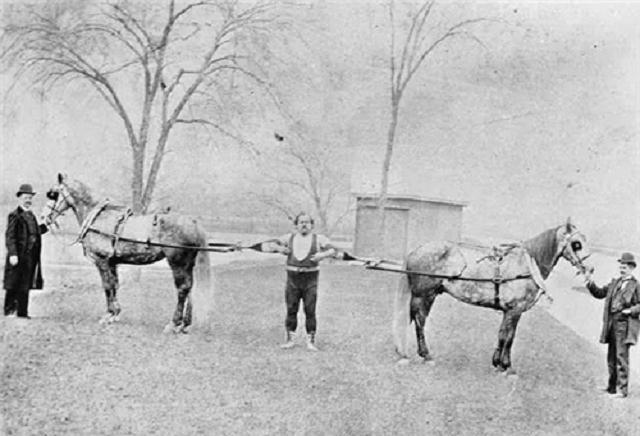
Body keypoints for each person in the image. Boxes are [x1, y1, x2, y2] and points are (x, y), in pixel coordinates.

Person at [267, 212, 337, 351]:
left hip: (310, 280)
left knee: (310, 310)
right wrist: (280, 248)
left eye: (307, 222)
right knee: (291, 309)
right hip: (293, 280)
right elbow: (270, 244)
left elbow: (333, 250)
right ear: (296, 225)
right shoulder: (289, 238)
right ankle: (290, 340)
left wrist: (322, 255)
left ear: (312, 225)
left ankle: (311, 341)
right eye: (301, 222)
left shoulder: (319, 239)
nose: (304, 225)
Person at [584, 252, 640, 398]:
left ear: (632, 268)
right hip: (611, 323)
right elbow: (599, 293)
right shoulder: (615, 283)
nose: (622, 269)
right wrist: (589, 281)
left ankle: (622, 390)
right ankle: (611, 387)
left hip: (624, 325)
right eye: (621, 266)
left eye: (625, 267)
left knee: (621, 357)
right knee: (611, 357)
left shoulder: (635, 285)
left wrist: (630, 310)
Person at [3, 183, 49, 319]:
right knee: (13, 283)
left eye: (30, 198)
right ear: (20, 198)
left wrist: (45, 226)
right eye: (25, 198)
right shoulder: (15, 215)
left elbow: (35, 231)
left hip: (30, 257)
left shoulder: (31, 215)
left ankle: (22, 313)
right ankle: (9, 311)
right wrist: (13, 254)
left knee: (25, 285)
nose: (28, 200)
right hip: (18, 255)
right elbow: (10, 236)